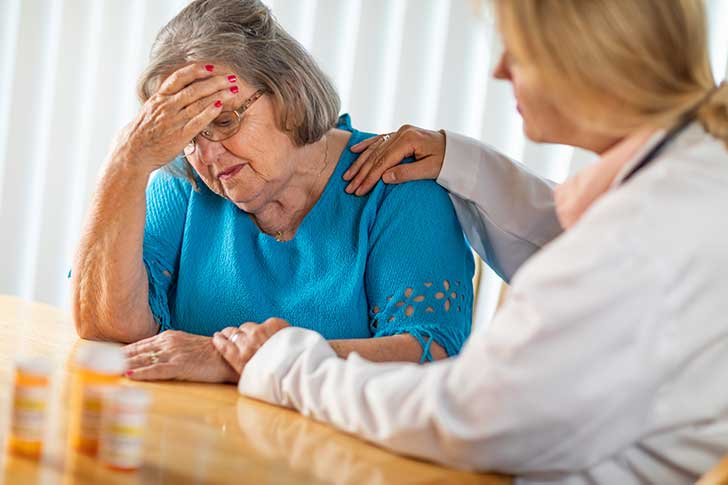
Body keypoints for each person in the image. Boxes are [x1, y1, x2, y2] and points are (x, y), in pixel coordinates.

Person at [211, 0, 728, 483]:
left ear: (590, 58)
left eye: (518, 51)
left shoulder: (642, 234)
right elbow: (571, 244)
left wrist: (289, 366)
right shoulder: (695, 175)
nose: (500, 70)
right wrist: (460, 161)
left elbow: (468, 417)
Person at [69, 0, 475, 383]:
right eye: (187, 134)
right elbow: (107, 325)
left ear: (286, 90)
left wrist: (239, 361)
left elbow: (431, 357)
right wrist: (127, 160)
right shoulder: (184, 184)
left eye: (224, 120)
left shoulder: (397, 184)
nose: (206, 154)